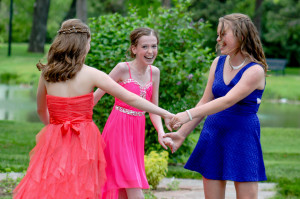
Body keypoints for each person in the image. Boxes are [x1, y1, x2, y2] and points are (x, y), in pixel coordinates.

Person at [13, 19, 173, 199]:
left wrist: (53, 128)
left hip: (55, 135)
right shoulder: (92, 74)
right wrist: (165, 113)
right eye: (89, 42)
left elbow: (41, 110)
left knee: (54, 183)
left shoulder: (47, 73)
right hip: (84, 139)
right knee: (81, 185)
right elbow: (131, 98)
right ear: (83, 45)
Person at [165, 13, 268, 199]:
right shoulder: (218, 63)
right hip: (214, 134)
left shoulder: (255, 70)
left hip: (242, 137)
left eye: (223, 34)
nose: (218, 39)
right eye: (218, 34)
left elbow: (227, 100)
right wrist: (181, 134)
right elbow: (205, 101)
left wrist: (186, 114)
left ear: (241, 36)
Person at [93, 27, 172, 199]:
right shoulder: (122, 69)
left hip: (136, 132)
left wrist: (161, 132)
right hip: (118, 130)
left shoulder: (155, 73)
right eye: (145, 47)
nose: (150, 51)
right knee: (133, 184)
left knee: (123, 191)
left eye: (154, 46)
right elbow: (96, 96)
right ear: (134, 49)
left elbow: (153, 108)